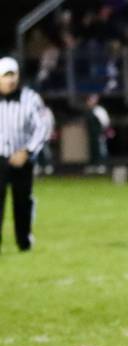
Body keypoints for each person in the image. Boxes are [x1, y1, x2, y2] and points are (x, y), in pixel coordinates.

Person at [0, 56, 51, 253]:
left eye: (13, 75)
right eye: (6, 76)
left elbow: (42, 127)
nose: (11, 80)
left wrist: (28, 150)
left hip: (22, 158)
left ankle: (24, 241)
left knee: (22, 202)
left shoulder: (30, 98)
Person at [84, 94, 111, 174]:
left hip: (99, 133)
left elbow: (105, 122)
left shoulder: (99, 110)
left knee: (101, 149)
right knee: (93, 149)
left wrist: (103, 132)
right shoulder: (88, 111)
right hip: (91, 134)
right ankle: (94, 165)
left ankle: (102, 165)